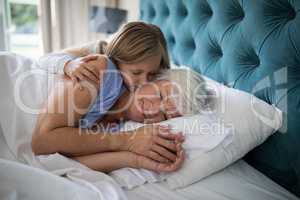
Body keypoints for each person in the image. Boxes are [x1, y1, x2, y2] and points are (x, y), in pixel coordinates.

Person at [33, 22, 184, 172]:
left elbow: (64, 162)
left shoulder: (119, 121)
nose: (143, 82)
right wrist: (67, 64)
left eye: (151, 75)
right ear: (119, 61)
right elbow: (42, 142)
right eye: (136, 73)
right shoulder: (99, 68)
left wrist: (135, 160)